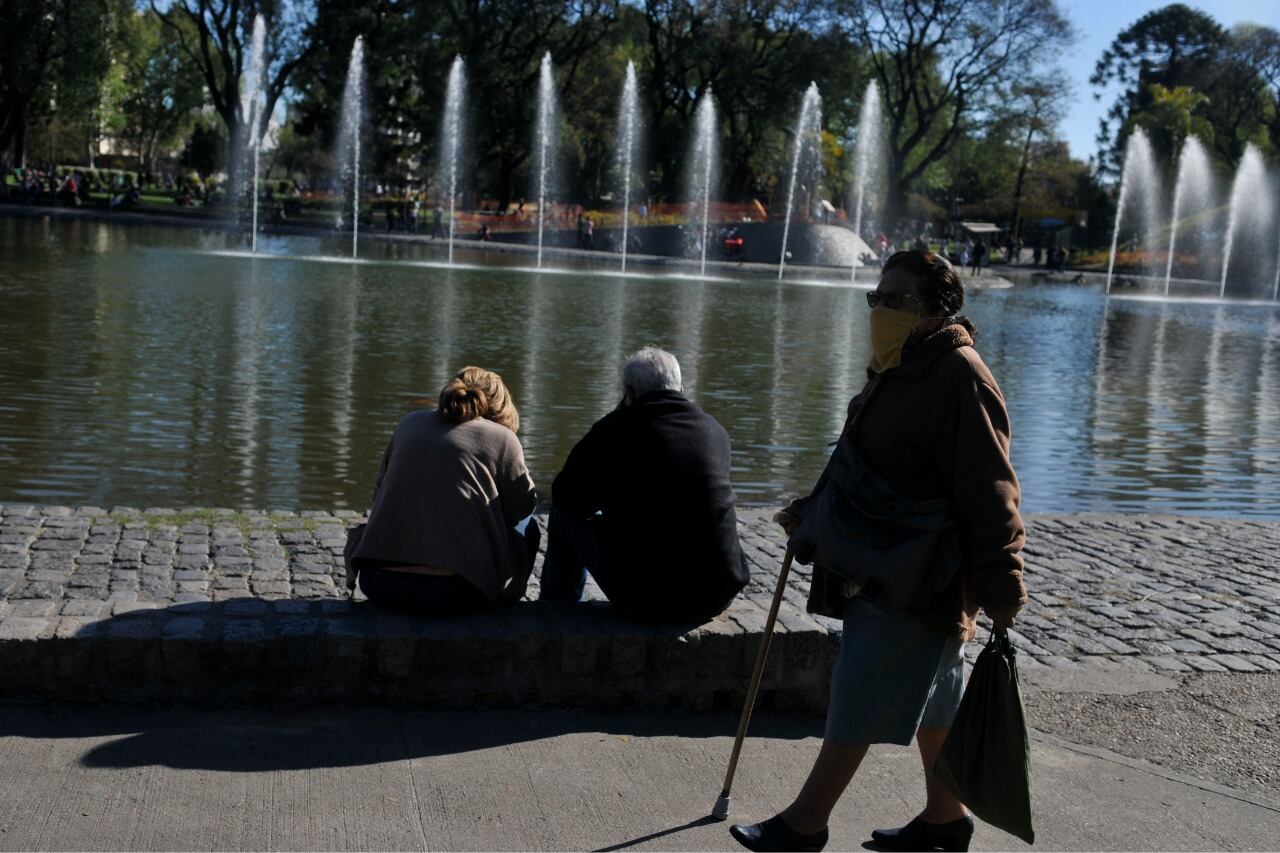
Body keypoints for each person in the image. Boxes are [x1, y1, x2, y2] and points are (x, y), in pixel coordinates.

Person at [729, 251, 1026, 853]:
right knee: (937, 702)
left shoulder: (960, 375)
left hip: (922, 575)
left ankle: (805, 823)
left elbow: (994, 490)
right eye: (878, 298)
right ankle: (946, 819)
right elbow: (861, 460)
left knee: (860, 692)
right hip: (888, 562)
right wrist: (814, 510)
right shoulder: (898, 365)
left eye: (898, 300)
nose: (883, 309)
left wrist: (1004, 584)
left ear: (937, 310)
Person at [539, 347, 749, 622]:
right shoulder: (715, 431)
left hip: (646, 600)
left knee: (563, 517)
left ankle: (557, 611)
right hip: (717, 593)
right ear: (680, 388)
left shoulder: (614, 429)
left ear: (630, 394)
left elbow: (565, 496)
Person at [346, 367, 539, 615]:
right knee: (528, 527)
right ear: (501, 409)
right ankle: (513, 602)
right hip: (458, 590)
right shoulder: (502, 438)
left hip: (379, 582)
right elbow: (522, 508)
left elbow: (379, 495)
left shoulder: (408, 423)